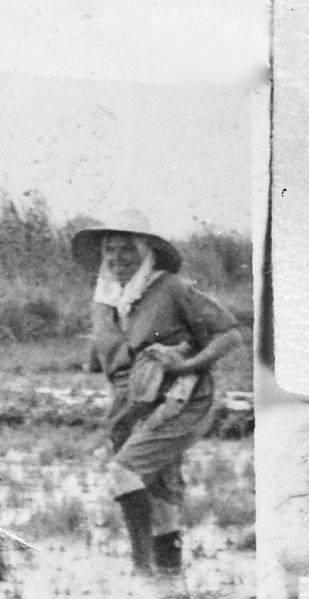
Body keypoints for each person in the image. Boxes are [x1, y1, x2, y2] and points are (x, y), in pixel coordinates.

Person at [73, 212, 245, 576]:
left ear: (147, 252)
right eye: (110, 251)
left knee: (123, 472)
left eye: (127, 250)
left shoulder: (169, 288)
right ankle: (171, 589)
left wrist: (185, 364)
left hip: (179, 398)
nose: (118, 259)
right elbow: (103, 357)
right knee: (160, 495)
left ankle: (141, 570)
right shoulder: (104, 301)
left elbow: (228, 335)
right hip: (130, 403)